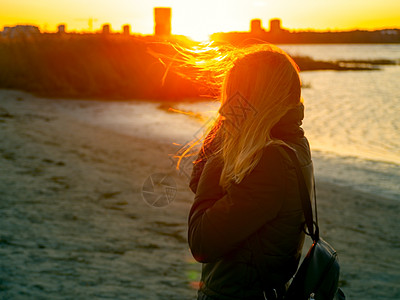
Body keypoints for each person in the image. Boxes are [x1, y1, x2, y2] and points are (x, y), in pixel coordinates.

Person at [187, 44, 314, 300]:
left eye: (236, 94)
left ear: (251, 97)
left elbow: (201, 242)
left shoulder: (269, 160)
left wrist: (225, 138)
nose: (227, 106)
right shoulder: (293, 142)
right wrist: (229, 127)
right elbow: (198, 181)